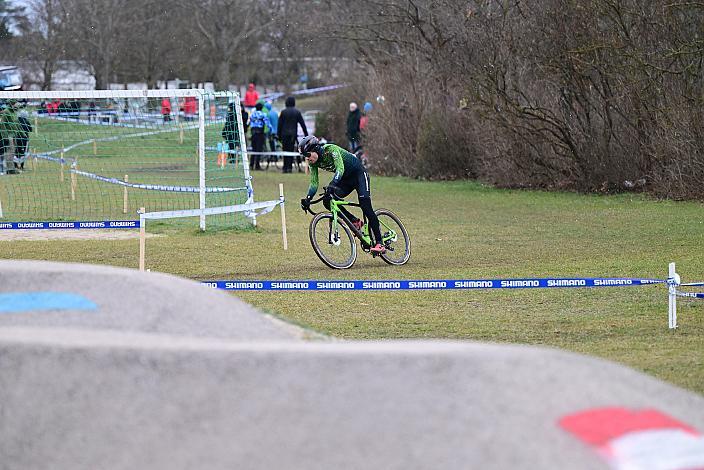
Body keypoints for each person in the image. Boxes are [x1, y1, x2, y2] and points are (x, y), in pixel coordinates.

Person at [298, 135, 386, 254]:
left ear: (316, 149)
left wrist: (332, 184)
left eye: (308, 155)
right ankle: (354, 221)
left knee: (365, 206)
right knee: (327, 200)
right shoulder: (313, 163)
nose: (307, 159)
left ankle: (380, 242)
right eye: (304, 156)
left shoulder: (331, 150)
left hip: (358, 175)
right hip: (345, 180)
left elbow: (340, 168)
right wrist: (308, 198)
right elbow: (314, 182)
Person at [277, 96, 308, 173]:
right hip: (293, 135)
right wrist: (306, 135)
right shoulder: (297, 112)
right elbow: (302, 124)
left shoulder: (283, 112)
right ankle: (289, 167)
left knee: (285, 150)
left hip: (284, 134)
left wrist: (279, 135)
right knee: (291, 151)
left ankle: (285, 167)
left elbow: (279, 125)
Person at [248, 102, 271, 171]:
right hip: (260, 133)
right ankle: (257, 165)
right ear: (261, 108)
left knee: (254, 149)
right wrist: (270, 130)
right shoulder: (263, 115)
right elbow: (268, 124)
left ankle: (251, 165)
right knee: (259, 150)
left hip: (253, 134)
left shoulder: (252, 115)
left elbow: (248, 123)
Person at [0, 99, 20, 175]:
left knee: (12, 152)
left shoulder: (14, 112)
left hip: (14, 134)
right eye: (16, 103)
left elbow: (16, 123)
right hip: (8, 135)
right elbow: (2, 124)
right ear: (12, 104)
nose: (17, 105)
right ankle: (9, 169)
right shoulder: (6, 112)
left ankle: (11, 168)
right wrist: (5, 136)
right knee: (9, 152)